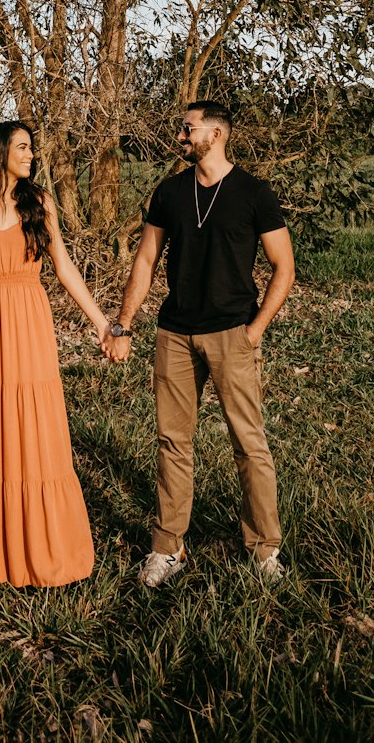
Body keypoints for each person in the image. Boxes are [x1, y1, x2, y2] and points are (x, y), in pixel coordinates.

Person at [103, 100, 295, 586]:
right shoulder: (169, 192)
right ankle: (167, 548)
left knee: (249, 444)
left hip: (233, 334)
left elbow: (284, 268)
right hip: (175, 334)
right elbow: (145, 262)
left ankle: (264, 550)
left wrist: (254, 332)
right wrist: (124, 324)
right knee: (173, 443)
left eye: (188, 129)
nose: (181, 136)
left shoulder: (254, 193)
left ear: (216, 134)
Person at [0, 120, 109, 588]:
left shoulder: (40, 204)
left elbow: (65, 269)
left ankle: (46, 543)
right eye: (22, 147)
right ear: (0, 152)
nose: (31, 155)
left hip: (29, 321)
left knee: (34, 424)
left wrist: (102, 324)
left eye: (32, 149)